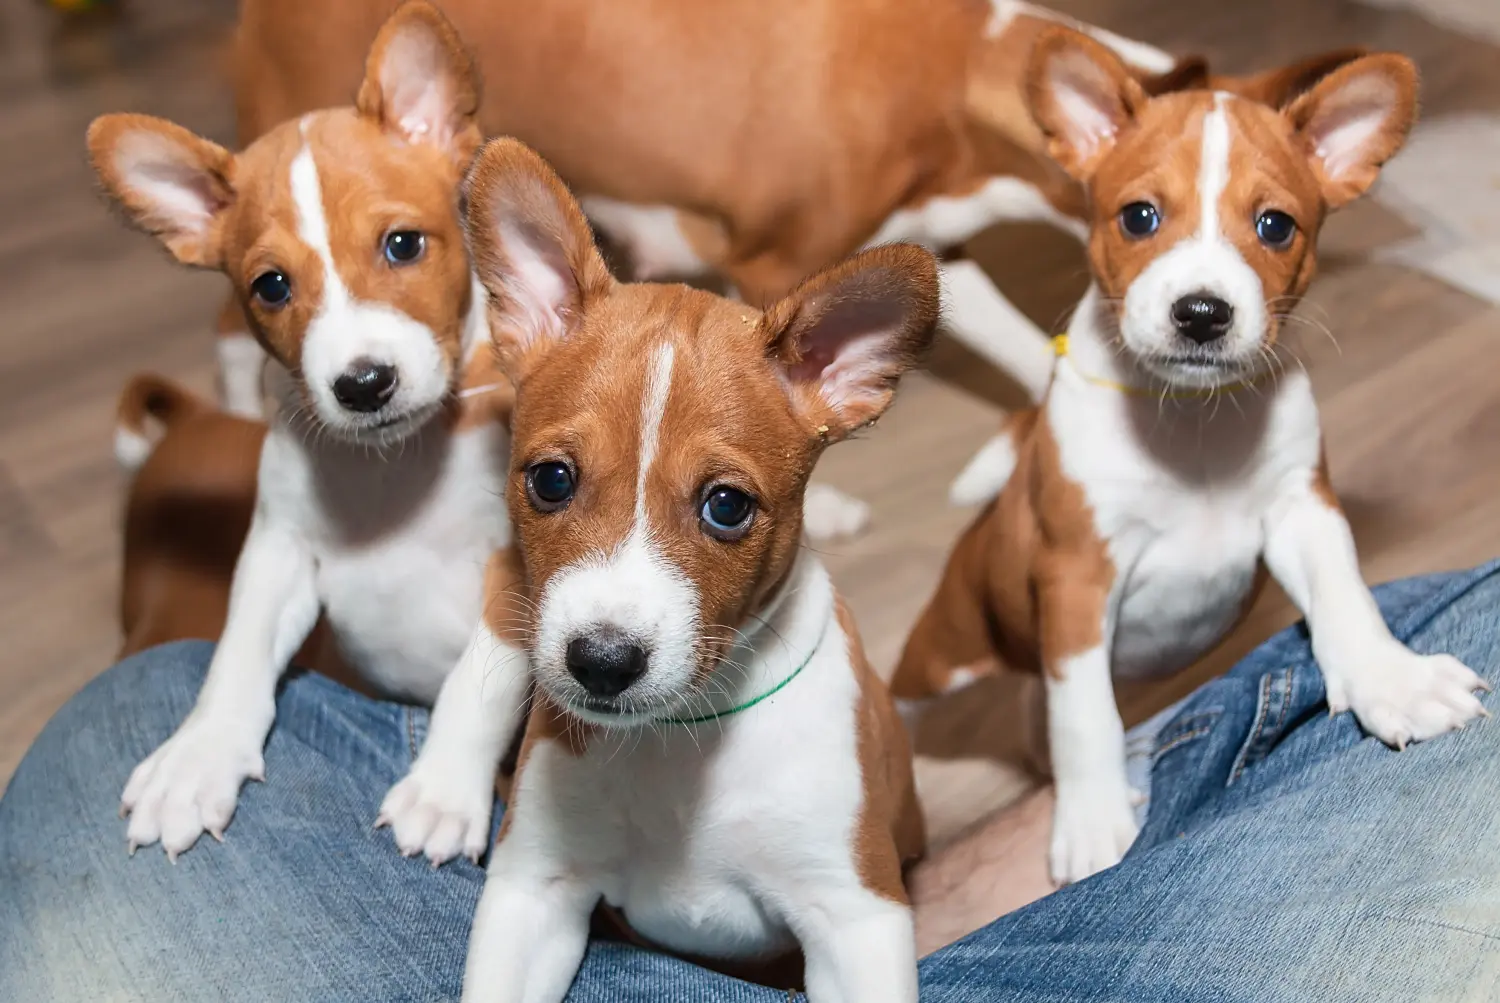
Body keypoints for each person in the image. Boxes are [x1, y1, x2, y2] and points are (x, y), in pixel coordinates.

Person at [3, 561, 1497, 1002]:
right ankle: (971, 897)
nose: (610, 612)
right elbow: (535, 886)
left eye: (718, 509)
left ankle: (942, 893)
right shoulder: (572, 676)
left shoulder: (810, 698)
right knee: (132, 734)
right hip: (692, 899)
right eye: (554, 487)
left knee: (117, 759)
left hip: (818, 905)